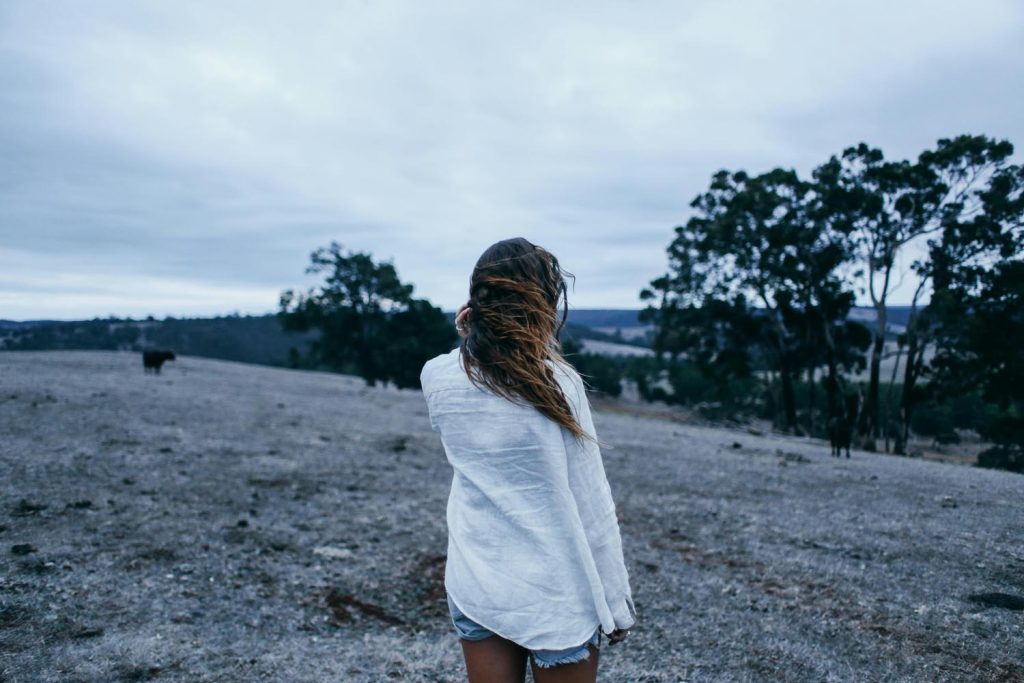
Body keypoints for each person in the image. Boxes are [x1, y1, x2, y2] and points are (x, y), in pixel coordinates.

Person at [419, 238, 636, 683]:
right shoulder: (559, 385)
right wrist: (615, 604)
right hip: (556, 595)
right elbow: (592, 502)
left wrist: (468, 336)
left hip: (478, 581)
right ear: (541, 304)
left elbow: (468, 368)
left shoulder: (436, 378)